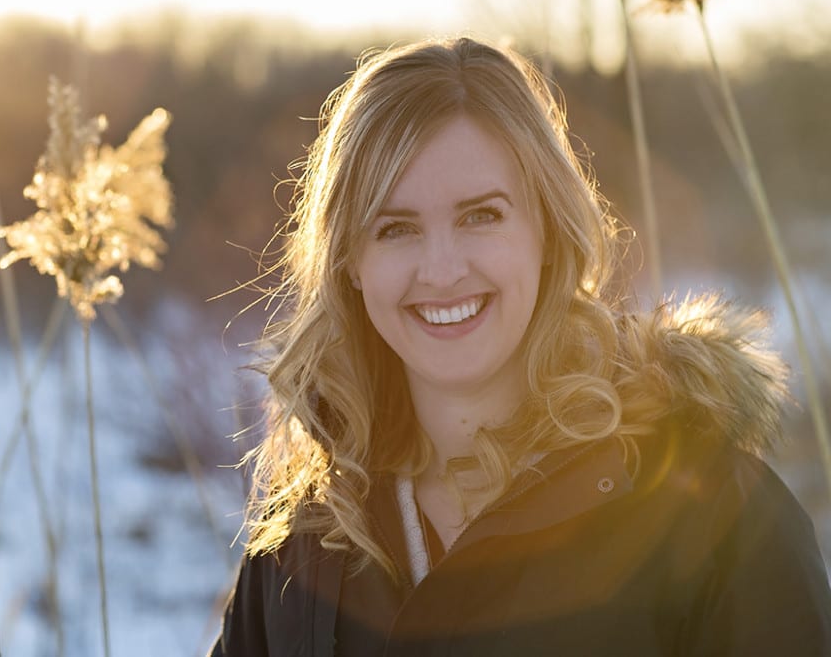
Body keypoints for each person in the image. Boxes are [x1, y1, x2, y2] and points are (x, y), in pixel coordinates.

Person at [211, 36, 831, 656]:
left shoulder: (710, 511)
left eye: (480, 215)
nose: (443, 269)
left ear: (547, 228)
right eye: (395, 228)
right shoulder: (304, 544)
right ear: (350, 260)